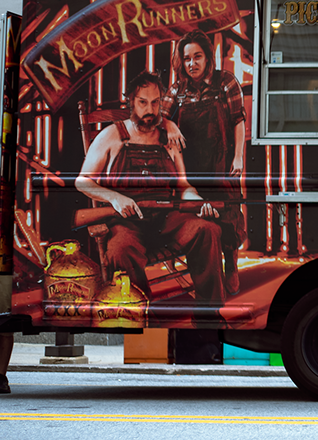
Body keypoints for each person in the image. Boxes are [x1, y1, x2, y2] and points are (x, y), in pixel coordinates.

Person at [76, 72, 226, 309]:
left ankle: (210, 312)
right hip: (128, 222)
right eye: (143, 102)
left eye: (155, 102)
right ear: (131, 102)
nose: (150, 110)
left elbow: (184, 185)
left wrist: (198, 203)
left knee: (208, 230)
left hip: (168, 219)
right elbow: (82, 181)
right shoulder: (112, 135)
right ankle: (141, 311)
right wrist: (115, 198)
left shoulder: (169, 137)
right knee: (119, 249)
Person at [161, 30, 246, 295]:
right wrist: (170, 123)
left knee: (227, 214)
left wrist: (239, 155)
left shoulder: (226, 82)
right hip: (191, 165)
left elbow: (238, 121)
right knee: (196, 216)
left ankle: (230, 263)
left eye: (197, 57)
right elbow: (159, 116)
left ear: (208, 57)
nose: (192, 64)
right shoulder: (177, 88)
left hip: (222, 161)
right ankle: (205, 273)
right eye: (187, 59)